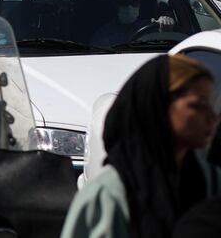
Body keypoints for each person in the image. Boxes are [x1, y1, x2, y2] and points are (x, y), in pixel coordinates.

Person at [60, 54, 221, 238]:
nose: (213, 117)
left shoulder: (211, 180)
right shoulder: (109, 195)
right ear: (159, 107)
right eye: (197, 106)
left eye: (210, 105)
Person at [92, 0, 174, 48]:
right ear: (116, 5)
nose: (129, 7)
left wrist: (165, 31)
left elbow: (165, 50)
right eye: (124, 2)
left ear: (140, 4)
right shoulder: (103, 33)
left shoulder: (151, 27)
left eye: (134, 2)